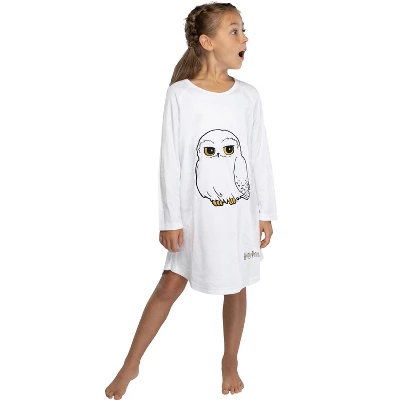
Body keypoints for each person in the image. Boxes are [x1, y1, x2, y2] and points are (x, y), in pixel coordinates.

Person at [105, 2, 278, 398]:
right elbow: (170, 160)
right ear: (207, 42)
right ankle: (131, 364)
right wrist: (170, 220)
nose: (245, 38)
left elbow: (259, 157)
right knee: (170, 284)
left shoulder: (248, 96)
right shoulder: (181, 95)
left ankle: (230, 360)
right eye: (234, 31)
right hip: (194, 215)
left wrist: (265, 212)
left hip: (239, 214)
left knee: (237, 284)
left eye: (243, 29)